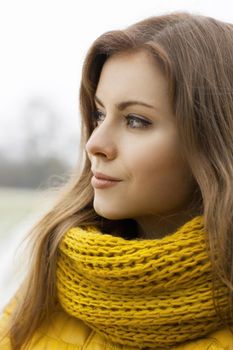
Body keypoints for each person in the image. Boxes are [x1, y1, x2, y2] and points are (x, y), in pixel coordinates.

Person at [1, 11, 233, 350]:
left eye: (136, 120)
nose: (95, 143)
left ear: (215, 142)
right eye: (98, 114)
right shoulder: (47, 280)